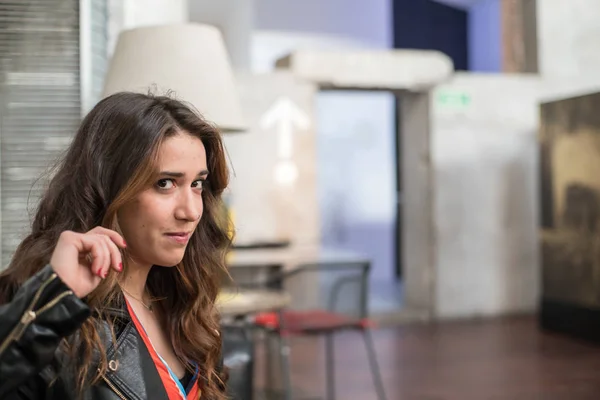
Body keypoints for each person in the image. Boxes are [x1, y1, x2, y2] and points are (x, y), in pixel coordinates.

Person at [0, 92, 232, 400]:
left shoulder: (187, 306)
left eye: (196, 184)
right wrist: (51, 301)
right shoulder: (55, 307)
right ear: (109, 188)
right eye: (165, 183)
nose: (190, 211)